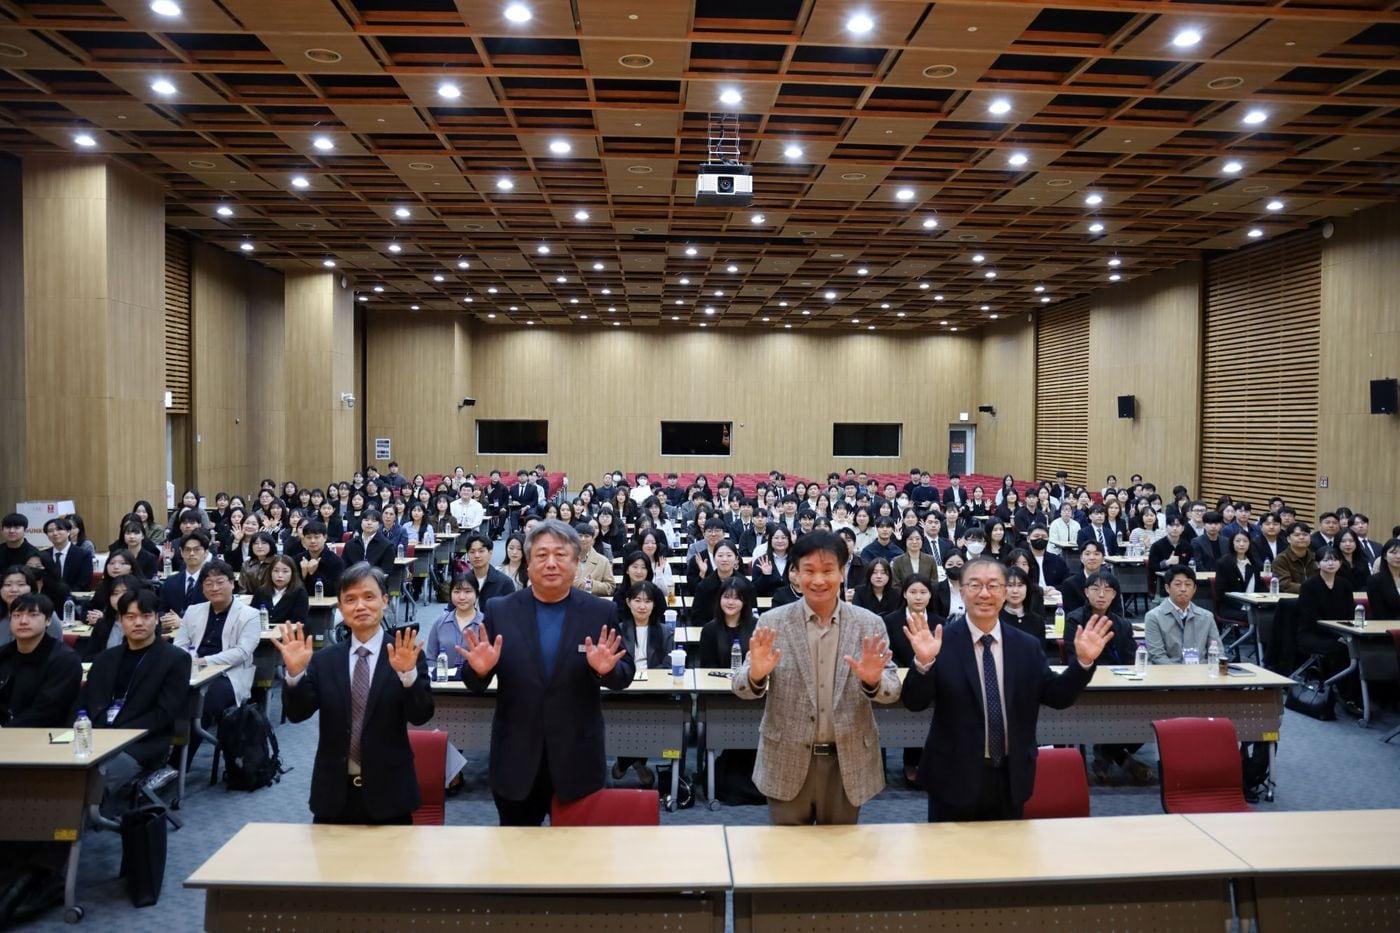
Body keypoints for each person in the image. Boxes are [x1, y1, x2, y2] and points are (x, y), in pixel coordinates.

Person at [901, 556, 1112, 821]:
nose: (984, 593)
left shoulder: (1026, 645)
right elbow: (914, 702)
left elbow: (1057, 697)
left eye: (993, 585)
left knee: (1010, 859)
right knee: (951, 860)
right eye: (975, 585)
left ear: (1004, 592)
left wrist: (1083, 663)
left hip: (1011, 776)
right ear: (962, 591)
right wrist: (923, 662)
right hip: (953, 777)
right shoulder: (940, 643)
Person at [457, 520, 634, 826]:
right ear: (528, 562)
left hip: (577, 757)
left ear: (576, 562)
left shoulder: (599, 611)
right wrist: (478, 670)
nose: (551, 563)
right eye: (541, 555)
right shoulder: (500, 609)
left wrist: (607, 671)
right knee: (516, 862)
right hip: (517, 759)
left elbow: (624, 674)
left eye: (560, 555)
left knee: (579, 862)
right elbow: (474, 681)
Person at [731, 531, 899, 825]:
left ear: (843, 572)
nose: (818, 580)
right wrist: (756, 675)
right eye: (809, 571)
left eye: (827, 570)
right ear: (794, 574)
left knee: (842, 859)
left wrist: (873, 682)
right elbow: (741, 686)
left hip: (847, 762)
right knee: (785, 859)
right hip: (787, 758)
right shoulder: (773, 622)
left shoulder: (868, 624)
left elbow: (892, 689)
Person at [273, 562, 433, 824]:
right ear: (341, 608)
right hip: (333, 794)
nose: (360, 606)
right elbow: (297, 714)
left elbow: (421, 715)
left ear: (384, 600)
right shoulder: (325, 660)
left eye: (369, 597)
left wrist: (407, 675)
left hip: (390, 792)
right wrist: (295, 675)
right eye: (350, 599)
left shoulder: (406, 653)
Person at [83, 589, 192, 814]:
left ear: (156, 619)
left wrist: (119, 735)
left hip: (143, 742)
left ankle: (71, 834)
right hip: (98, 735)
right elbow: (88, 703)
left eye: (145, 616)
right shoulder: (106, 659)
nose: (138, 623)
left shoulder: (175, 659)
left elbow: (164, 713)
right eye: (130, 617)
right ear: (120, 620)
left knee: (91, 781)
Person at [1063, 571, 1148, 783]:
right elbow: (1074, 657)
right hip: (1086, 681)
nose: (1101, 594)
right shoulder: (1075, 619)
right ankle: (1120, 757)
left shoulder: (1122, 624)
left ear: (1114, 595)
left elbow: (1130, 658)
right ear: (1086, 592)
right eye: (1095, 589)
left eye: (1107, 590)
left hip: (1118, 682)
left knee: (1147, 716)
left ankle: (1105, 751)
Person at [173, 559, 260, 754]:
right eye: (208, 584)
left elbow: (242, 652)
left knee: (199, 705)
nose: (214, 588)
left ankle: (177, 765)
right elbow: (179, 645)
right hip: (191, 670)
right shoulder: (193, 611)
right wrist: (189, 662)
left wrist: (205, 661)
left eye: (220, 582)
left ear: (232, 583)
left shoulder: (250, 615)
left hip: (228, 675)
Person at [612, 580, 673, 786]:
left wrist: (649, 677)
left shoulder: (665, 631)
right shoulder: (618, 630)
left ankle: (626, 761)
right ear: (628, 602)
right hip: (625, 689)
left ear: (654, 604)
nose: (642, 606)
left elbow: (668, 665)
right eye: (637, 600)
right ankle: (637, 762)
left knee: (649, 711)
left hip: (653, 690)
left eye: (648, 601)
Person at [0, 594, 82, 727]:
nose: (23, 621)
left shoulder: (65, 660)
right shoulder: (4, 654)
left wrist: (6, 730)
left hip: (43, 734)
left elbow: (47, 711)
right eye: (17, 615)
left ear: (48, 620)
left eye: (33, 615)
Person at [1144, 566, 1221, 664]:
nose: (1183, 589)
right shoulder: (1153, 617)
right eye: (1178, 584)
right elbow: (1157, 656)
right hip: (1168, 674)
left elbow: (1217, 651)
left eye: (1188, 584)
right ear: (1167, 588)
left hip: (1200, 673)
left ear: (1194, 589)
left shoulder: (1207, 617)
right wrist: (1182, 675)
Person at [699, 576, 758, 667]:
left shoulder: (756, 627)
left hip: (748, 679)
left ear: (744, 601)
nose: (730, 602)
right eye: (726, 597)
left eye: (736, 598)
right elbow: (707, 667)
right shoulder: (709, 630)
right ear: (719, 599)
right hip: (716, 680)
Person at [158, 528, 211, 622]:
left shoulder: (211, 582)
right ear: (181, 552)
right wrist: (167, 619)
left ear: (206, 553)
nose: (191, 553)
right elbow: (161, 610)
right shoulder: (170, 581)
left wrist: (183, 622)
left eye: (197, 549)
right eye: (187, 549)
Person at [1214, 531, 1261, 625]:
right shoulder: (1224, 563)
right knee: (1259, 617)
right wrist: (1242, 606)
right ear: (1232, 543)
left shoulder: (1254, 562)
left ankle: (1261, 640)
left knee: (1271, 614)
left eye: (1245, 541)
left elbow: (1258, 588)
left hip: (1253, 605)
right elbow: (1221, 593)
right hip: (1231, 607)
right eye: (1238, 541)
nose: (1241, 544)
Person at [43, 517, 94, 594]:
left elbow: (83, 583)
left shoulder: (83, 554)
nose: (55, 533)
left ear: (68, 531)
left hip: (74, 597)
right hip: (48, 600)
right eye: (50, 531)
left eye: (59, 529)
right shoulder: (43, 555)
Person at [257, 554, 310, 629]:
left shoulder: (299, 592)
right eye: (276, 571)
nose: (280, 575)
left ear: (292, 574)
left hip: (287, 636)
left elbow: (298, 622)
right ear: (270, 573)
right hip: (261, 636)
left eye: (285, 571)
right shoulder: (261, 591)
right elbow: (252, 617)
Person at [342, 510, 397, 577]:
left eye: (373, 521)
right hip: (353, 582)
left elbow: (386, 572)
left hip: (376, 583)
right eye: (366, 520)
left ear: (379, 525)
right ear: (361, 523)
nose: (369, 523)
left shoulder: (387, 546)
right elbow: (344, 568)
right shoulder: (350, 544)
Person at [1273, 523, 1319, 594]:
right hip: (1291, 600)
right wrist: (1310, 589)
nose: (1302, 537)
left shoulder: (1316, 557)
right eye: (1297, 535)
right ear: (1288, 539)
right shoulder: (1281, 559)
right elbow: (1285, 585)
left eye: (1305, 535)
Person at [572, 523, 615, 596]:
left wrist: (592, 584)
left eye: (586, 536)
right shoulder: (564, 559)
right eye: (580, 536)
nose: (583, 539)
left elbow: (610, 587)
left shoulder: (603, 561)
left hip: (593, 602)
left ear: (593, 539)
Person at [1366, 539, 1400, 619]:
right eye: (1393, 553)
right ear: (1384, 556)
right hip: (1386, 626)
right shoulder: (1375, 580)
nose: (1398, 556)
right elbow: (1379, 613)